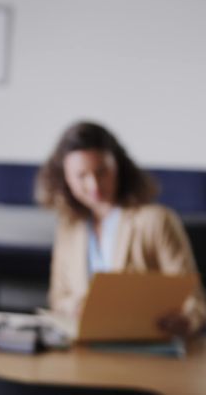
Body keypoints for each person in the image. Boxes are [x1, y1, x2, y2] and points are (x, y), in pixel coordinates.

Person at [36, 121, 205, 336]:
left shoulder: (157, 221)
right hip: (86, 349)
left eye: (102, 172)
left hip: (147, 348)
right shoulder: (69, 227)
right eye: (82, 176)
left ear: (118, 167)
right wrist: (78, 307)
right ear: (64, 179)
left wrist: (187, 320)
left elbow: (193, 299)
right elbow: (58, 299)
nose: (94, 185)